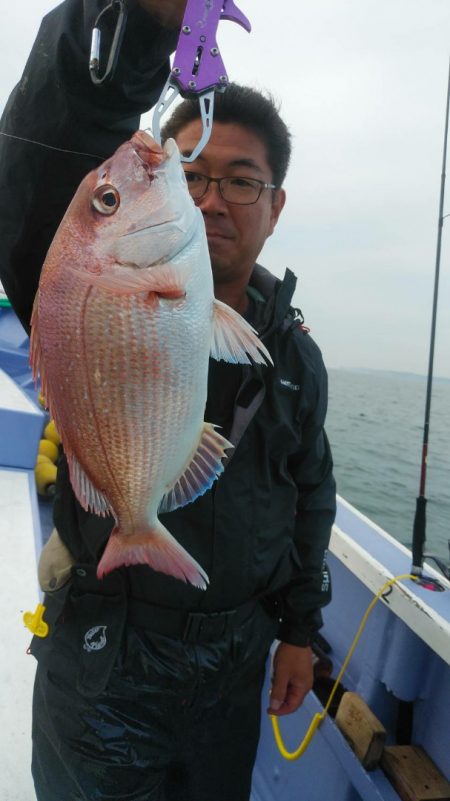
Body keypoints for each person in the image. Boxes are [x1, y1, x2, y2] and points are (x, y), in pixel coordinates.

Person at [0, 1, 336, 799]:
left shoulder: (295, 355)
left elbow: (310, 492)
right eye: (190, 174)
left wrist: (299, 632)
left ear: (276, 205)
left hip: (236, 666)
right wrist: (137, 28)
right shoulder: (76, 275)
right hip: (104, 655)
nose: (211, 198)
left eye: (241, 180)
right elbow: (42, 155)